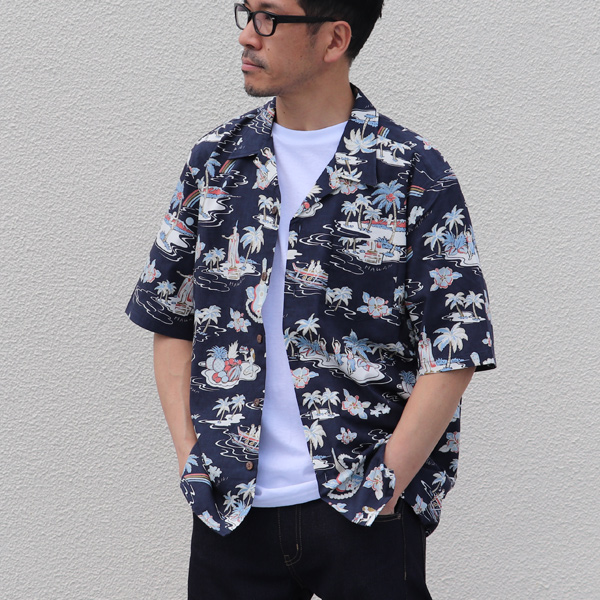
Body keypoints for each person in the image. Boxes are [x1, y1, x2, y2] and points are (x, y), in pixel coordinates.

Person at [126, 1, 496, 598]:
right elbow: (170, 316)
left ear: (333, 39)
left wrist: (387, 483)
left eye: (269, 18)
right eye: (246, 12)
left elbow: (456, 346)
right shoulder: (216, 161)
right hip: (231, 508)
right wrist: (191, 454)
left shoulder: (412, 171)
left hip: (363, 510)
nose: (248, 36)